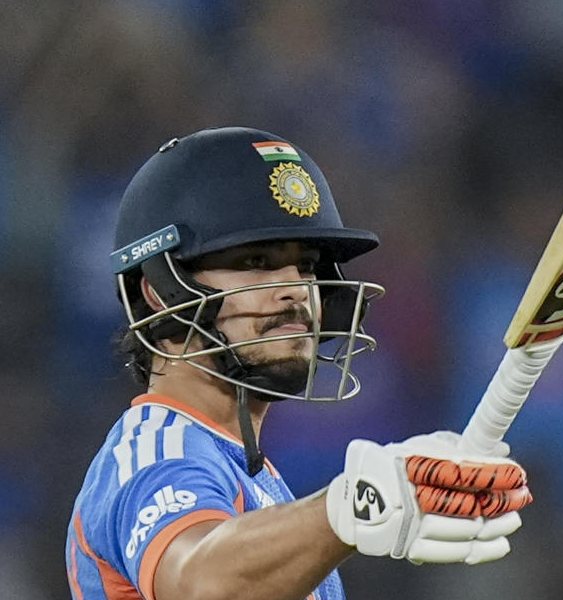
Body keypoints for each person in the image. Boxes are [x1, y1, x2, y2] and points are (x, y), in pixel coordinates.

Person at [65, 127, 532, 600]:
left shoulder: (255, 481)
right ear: (160, 290)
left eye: (306, 265)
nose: (296, 288)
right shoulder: (154, 454)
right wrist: (345, 506)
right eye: (256, 261)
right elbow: (199, 584)